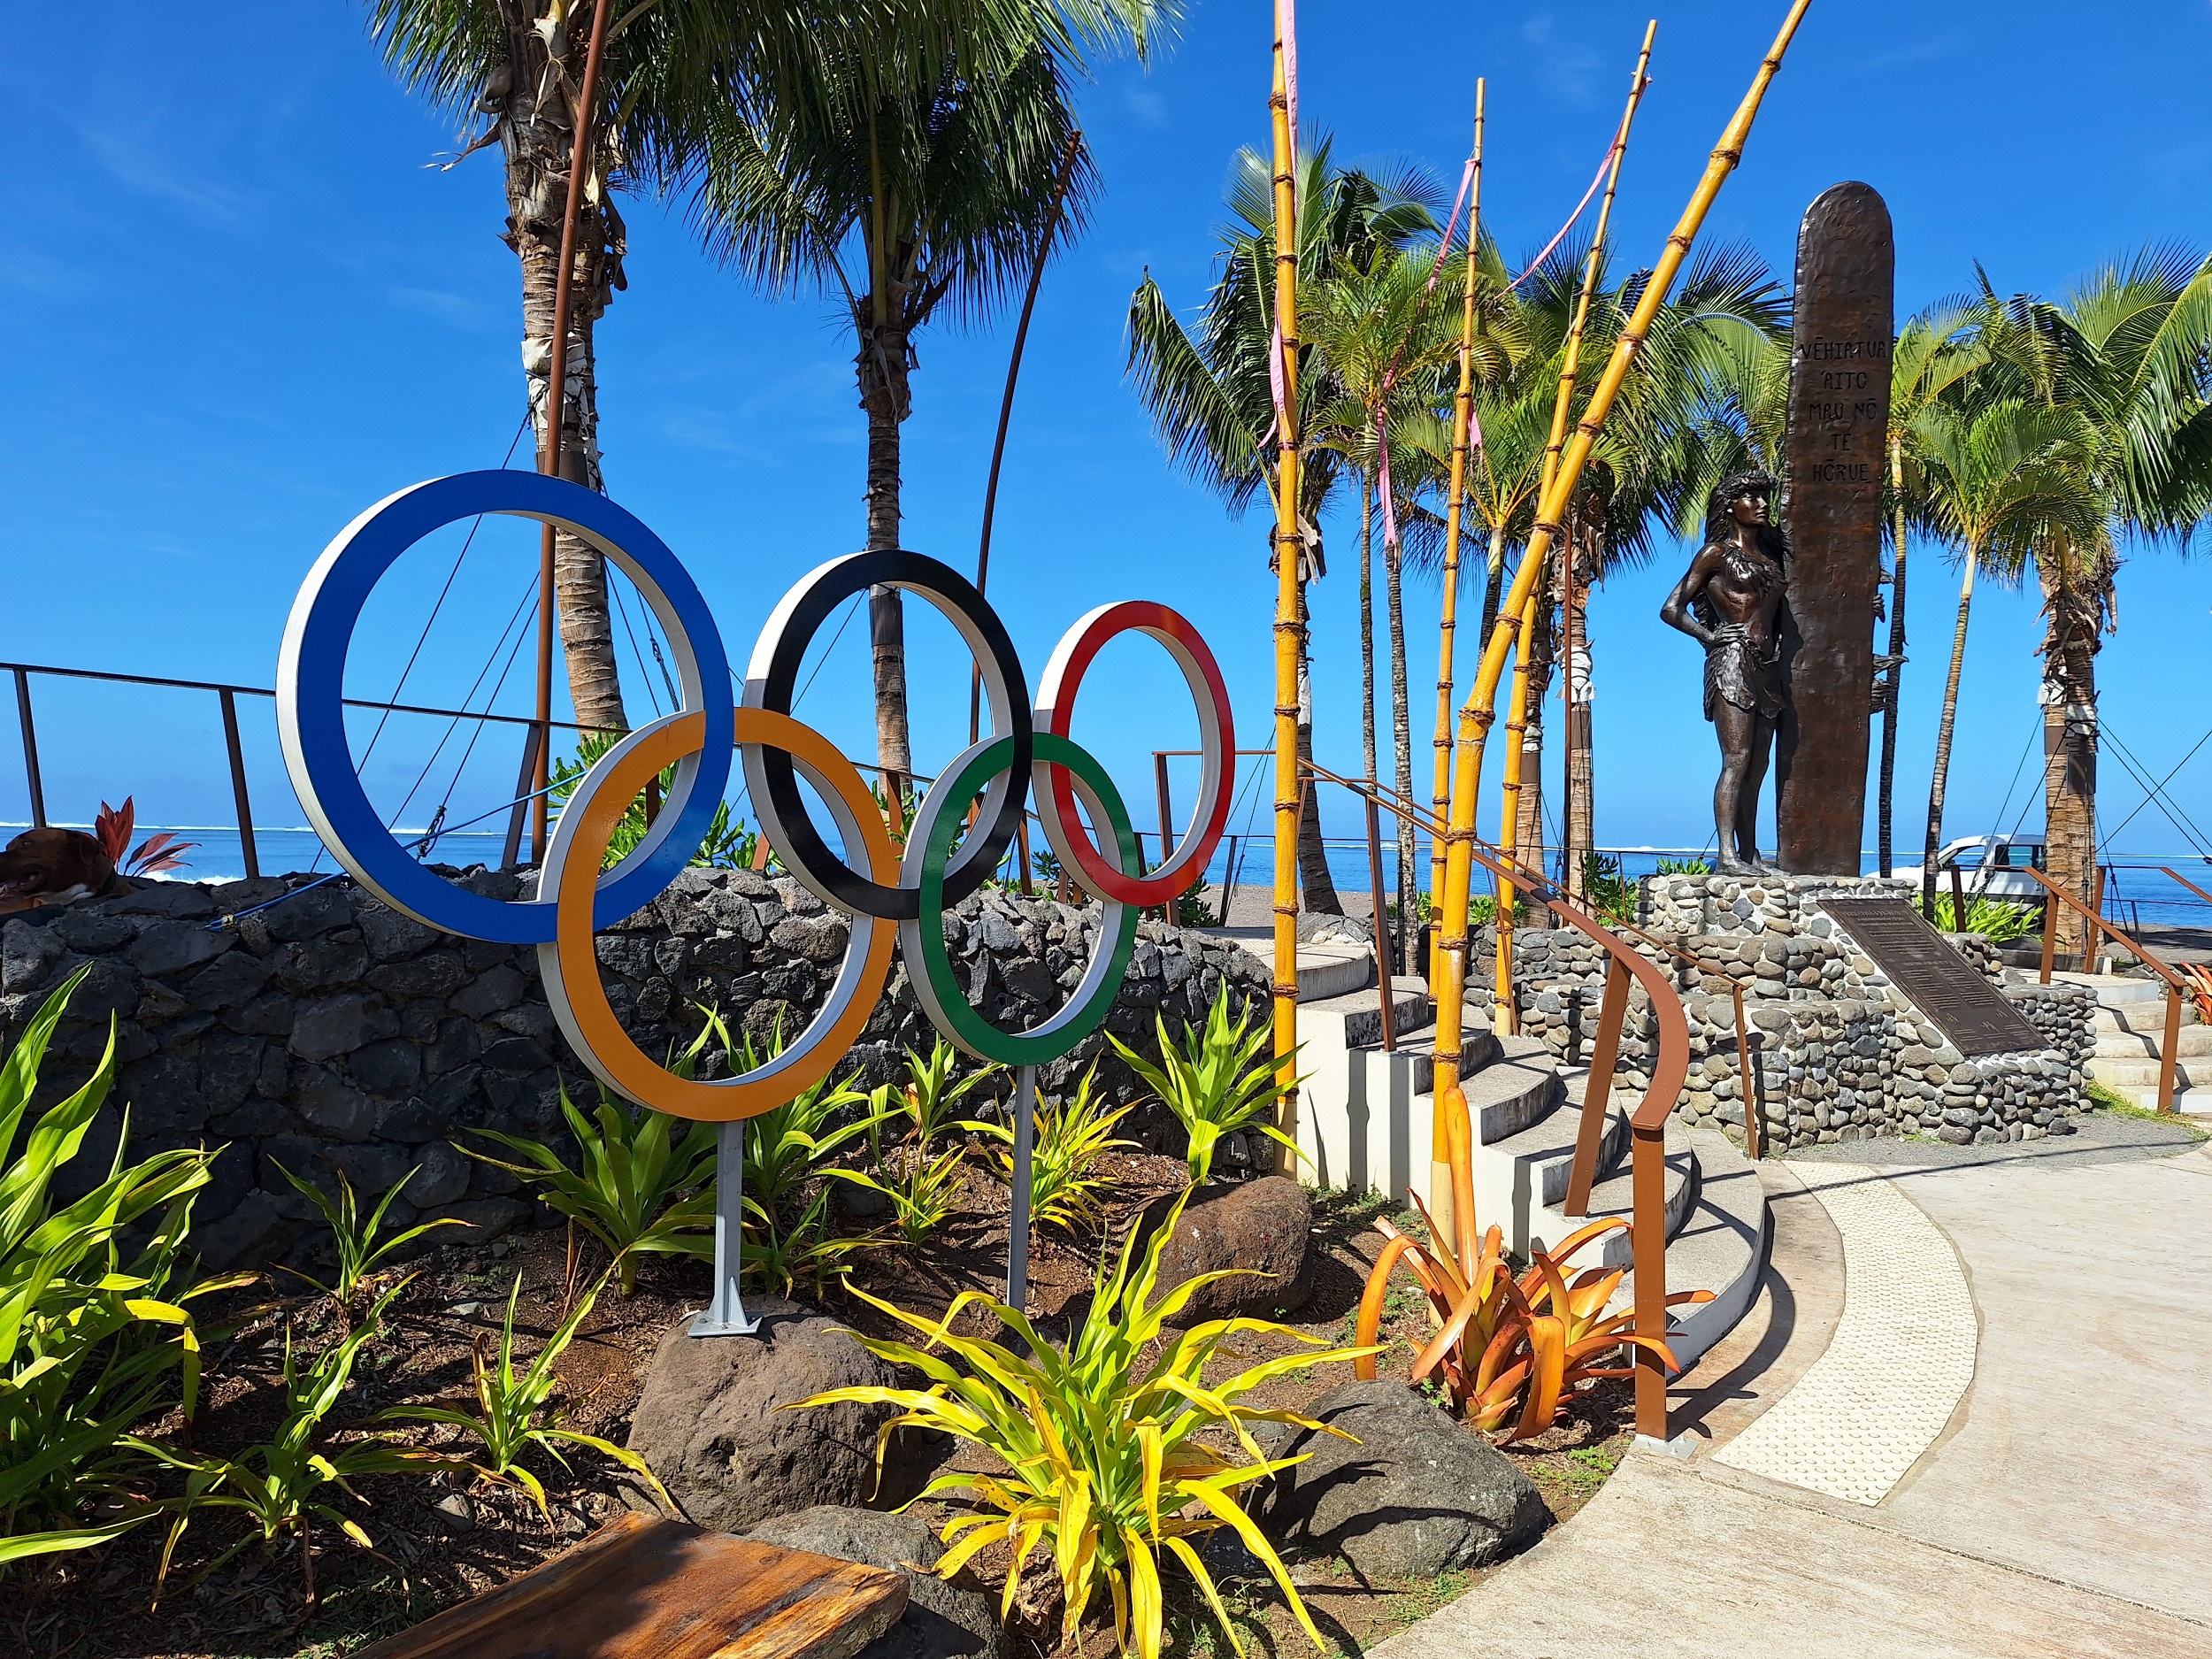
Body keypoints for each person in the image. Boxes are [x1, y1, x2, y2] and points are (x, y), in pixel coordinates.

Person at [1660, 471, 1790, 875]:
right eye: (1751, 497)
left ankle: (1750, 854)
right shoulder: (1715, 554)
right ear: (1731, 505)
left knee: (1758, 766)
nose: (1761, 504)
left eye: (1763, 496)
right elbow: (1671, 608)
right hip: (1731, 661)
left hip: (1767, 667)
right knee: (1737, 759)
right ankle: (1727, 856)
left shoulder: (1771, 558)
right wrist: (1709, 635)